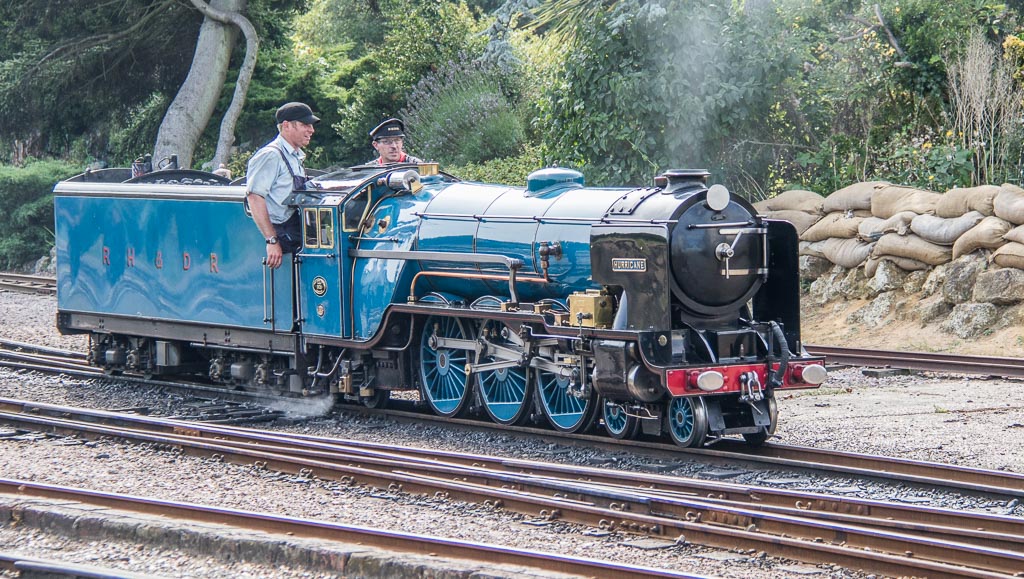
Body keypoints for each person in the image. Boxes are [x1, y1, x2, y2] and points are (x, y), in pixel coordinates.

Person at [246, 102, 319, 269]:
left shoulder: (294, 157)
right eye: (305, 125)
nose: (311, 130)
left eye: (311, 126)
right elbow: (255, 197)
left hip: (295, 230)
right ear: (286, 125)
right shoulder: (271, 155)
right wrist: (272, 240)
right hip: (283, 235)